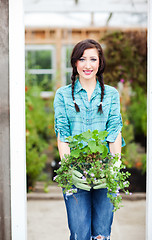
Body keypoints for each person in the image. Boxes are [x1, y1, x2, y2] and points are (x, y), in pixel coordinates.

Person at [54, 39, 125, 240]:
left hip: (105, 169)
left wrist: (113, 169)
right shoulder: (63, 95)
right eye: (82, 59)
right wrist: (68, 170)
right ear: (75, 63)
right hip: (75, 170)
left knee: (102, 234)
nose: (87, 65)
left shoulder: (111, 94)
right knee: (79, 234)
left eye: (93, 59)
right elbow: (63, 134)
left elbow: (114, 132)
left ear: (100, 63)